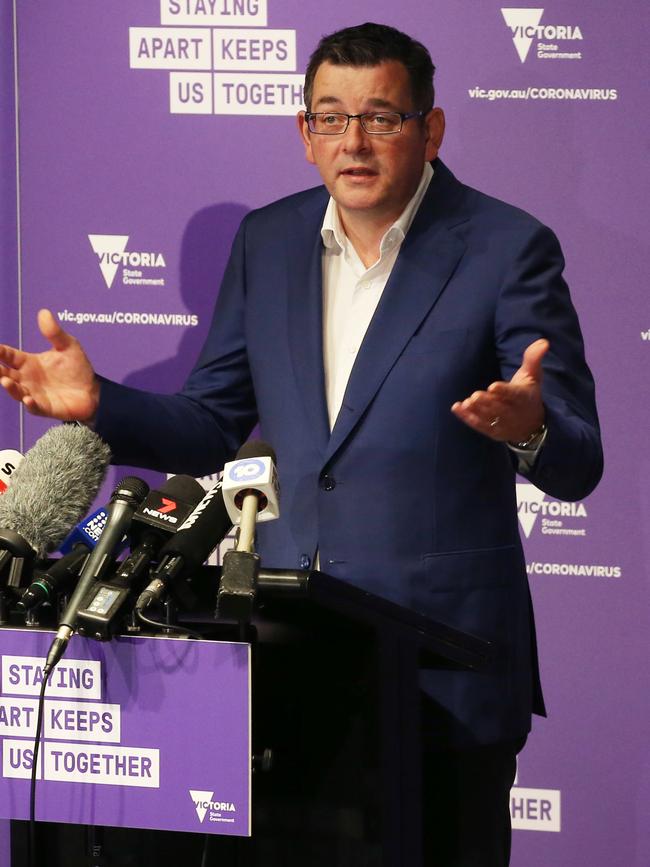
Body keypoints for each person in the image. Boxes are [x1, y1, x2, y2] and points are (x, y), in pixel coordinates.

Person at [0, 22, 601, 867]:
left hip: (443, 675)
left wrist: (529, 425)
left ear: (430, 129)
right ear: (304, 132)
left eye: (382, 117)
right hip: (291, 666)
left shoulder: (506, 247)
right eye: (330, 117)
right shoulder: (268, 242)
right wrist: (100, 403)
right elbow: (212, 420)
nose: (353, 141)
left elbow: (580, 460)